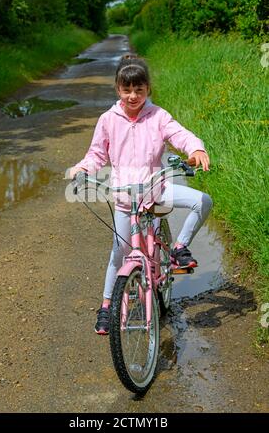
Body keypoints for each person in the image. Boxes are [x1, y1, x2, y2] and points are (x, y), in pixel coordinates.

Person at [69, 54, 212, 335]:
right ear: (118, 89)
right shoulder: (108, 119)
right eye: (127, 90)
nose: (133, 96)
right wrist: (83, 169)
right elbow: (97, 153)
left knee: (202, 201)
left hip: (156, 190)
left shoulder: (158, 116)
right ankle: (107, 306)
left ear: (148, 90)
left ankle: (179, 249)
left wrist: (196, 148)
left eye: (139, 90)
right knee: (120, 253)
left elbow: (180, 134)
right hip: (124, 197)